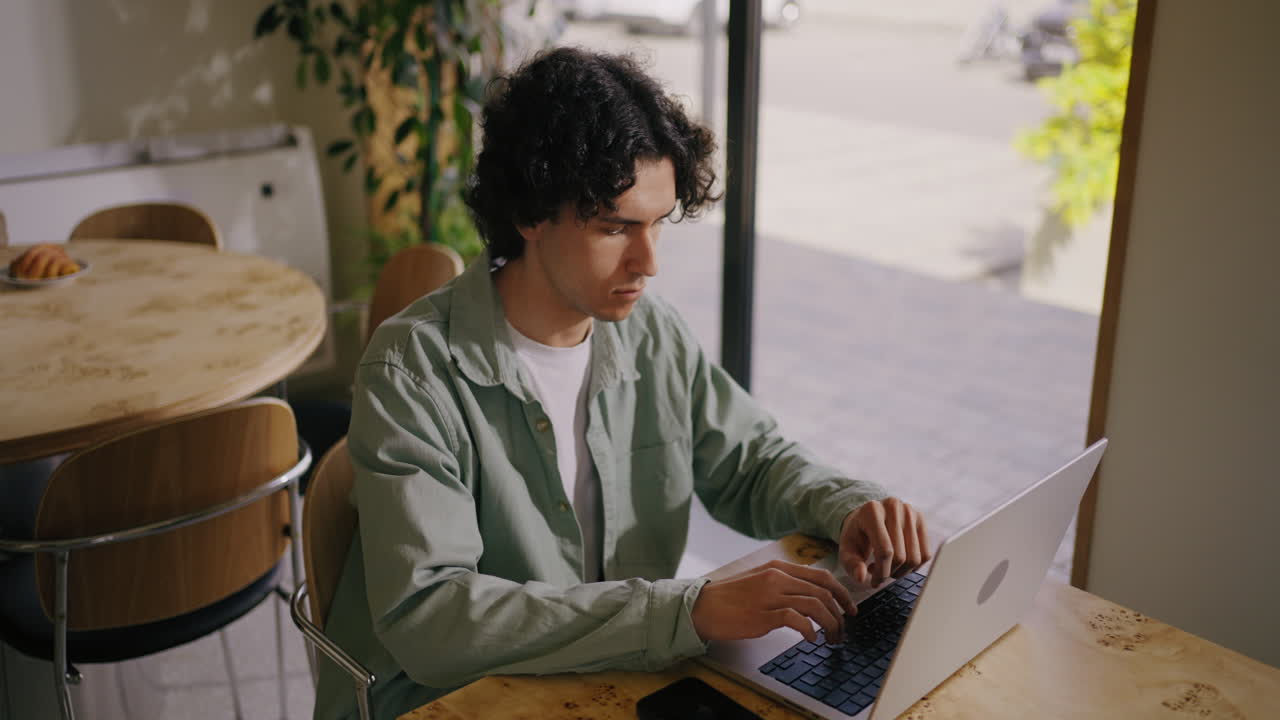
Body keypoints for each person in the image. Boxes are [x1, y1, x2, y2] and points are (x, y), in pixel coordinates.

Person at [314, 47, 930, 720]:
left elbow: (751, 462)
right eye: (616, 228)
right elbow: (432, 619)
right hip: (448, 701)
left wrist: (848, 506)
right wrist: (686, 610)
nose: (648, 261)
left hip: (605, 680)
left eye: (658, 223)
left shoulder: (650, 334)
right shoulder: (412, 370)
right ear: (531, 214)